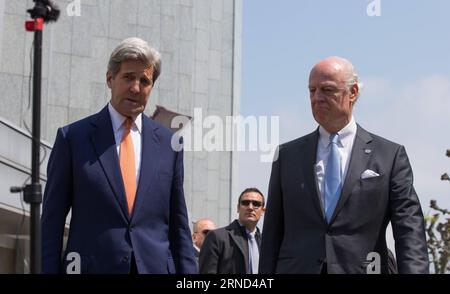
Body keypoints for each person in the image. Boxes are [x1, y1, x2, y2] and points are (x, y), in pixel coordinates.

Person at [259, 56, 429, 274]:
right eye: (312, 90)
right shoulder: (286, 156)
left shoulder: (390, 156)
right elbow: (273, 232)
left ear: (353, 92)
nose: (317, 98)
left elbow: (409, 230)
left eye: (327, 90)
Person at [41, 37, 196, 274]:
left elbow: (179, 224)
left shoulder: (170, 144)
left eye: (145, 80)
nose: (136, 87)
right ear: (110, 78)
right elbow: (52, 221)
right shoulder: (73, 138)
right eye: (128, 77)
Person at [199, 188, 265, 274]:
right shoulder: (217, 237)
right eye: (245, 203)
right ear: (238, 208)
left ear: (262, 211)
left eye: (256, 204)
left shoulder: (267, 242)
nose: (250, 207)